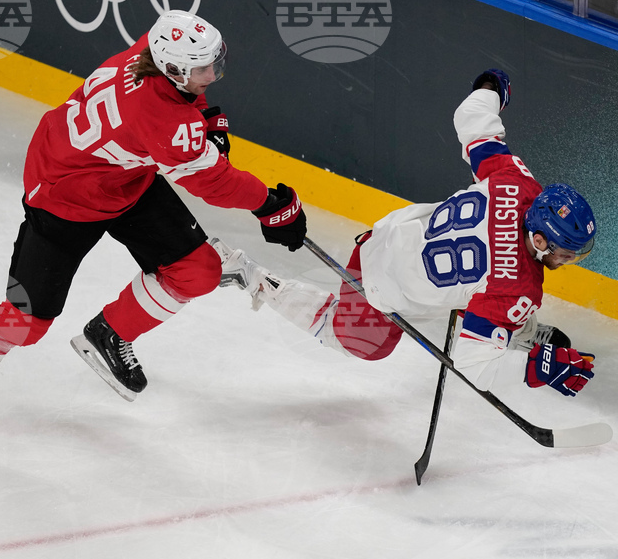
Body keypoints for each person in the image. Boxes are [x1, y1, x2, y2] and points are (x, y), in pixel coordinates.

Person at [0, 10, 307, 440]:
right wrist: (271, 205)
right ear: (173, 68)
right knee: (25, 322)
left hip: (123, 178)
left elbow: (189, 99)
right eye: (204, 68)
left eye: (213, 61)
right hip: (62, 197)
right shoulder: (163, 121)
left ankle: (109, 333)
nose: (213, 73)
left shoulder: (151, 51)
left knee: (198, 270)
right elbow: (213, 181)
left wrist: (206, 119)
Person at [211, 69, 596, 399]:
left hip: (387, 238)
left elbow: (471, 115)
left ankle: (514, 329)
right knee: (360, 345)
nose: (568, 260)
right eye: (565, 252)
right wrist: (536, 370)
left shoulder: (516, 181)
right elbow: (473, 367)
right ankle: (252, 276)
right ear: (540, 240)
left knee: (485, 295)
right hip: (383, 287)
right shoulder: (518, 287)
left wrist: (491, 87)